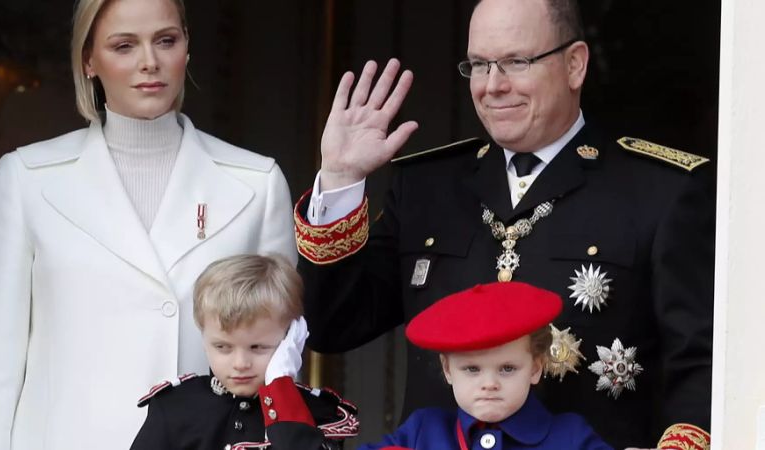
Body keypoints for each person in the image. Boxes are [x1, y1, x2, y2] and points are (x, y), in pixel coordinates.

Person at [293, 0, 714, 448]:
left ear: (574, 65)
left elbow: (702, 363)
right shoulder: (426, 186)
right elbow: (333, 325)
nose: (493, 86)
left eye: (516, 61)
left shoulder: (658, 191)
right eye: (479, 65)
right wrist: (340, 179)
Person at [0, 0, 296, 448]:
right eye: (124, 45)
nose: (149, 62)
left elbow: (279, 361)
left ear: (186, 48)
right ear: (88, 60)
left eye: (166, 40)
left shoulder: (258, 185)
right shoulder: (26, 179)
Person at [130, 254, 358, 449]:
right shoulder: (175, 406)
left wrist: (280, 387)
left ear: (291, 338)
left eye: (258, 347)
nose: (240, 363)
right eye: (223, 347)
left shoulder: (317, 412)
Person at [361, 282, 612, 450]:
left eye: (507, 368)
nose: (490, 384)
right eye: (472, 369)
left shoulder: (570, 436)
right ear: (447, 369)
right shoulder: (423, 430)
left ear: (536, 367)